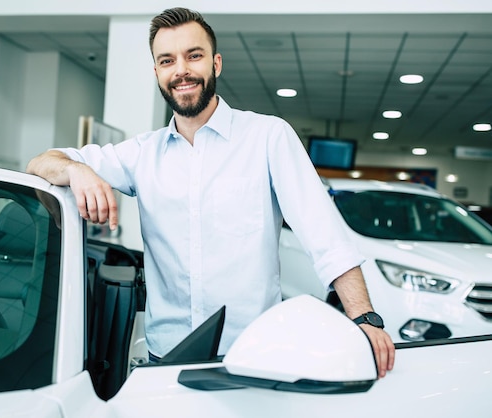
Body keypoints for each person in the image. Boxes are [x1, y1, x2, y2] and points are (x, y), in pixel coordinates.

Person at [27, 7, 395, 377]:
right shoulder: (140, 154)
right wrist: (77, 170)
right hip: (167, 358)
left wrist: (364, 317)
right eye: (167, 60)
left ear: (216, 63)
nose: (181, 70)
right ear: (157, 73)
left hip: (254, 353)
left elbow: (325, 236)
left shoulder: (268, 137)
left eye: (194, 55)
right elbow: (42, 162)